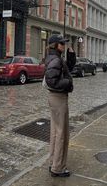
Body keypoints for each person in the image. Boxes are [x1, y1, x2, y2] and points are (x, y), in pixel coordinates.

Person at [44, 34, 76, 177]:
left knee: (56, 132)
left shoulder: (55, 58)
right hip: (58, 98)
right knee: (61, 133)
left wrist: (71, 57)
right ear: (56, 45)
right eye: (62, 43)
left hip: (56, 98)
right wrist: (68, 83)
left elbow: (65, 70)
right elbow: (52, 81)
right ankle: (58, 168)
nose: (64, 45)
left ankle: (54, 162)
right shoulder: (55, 59)